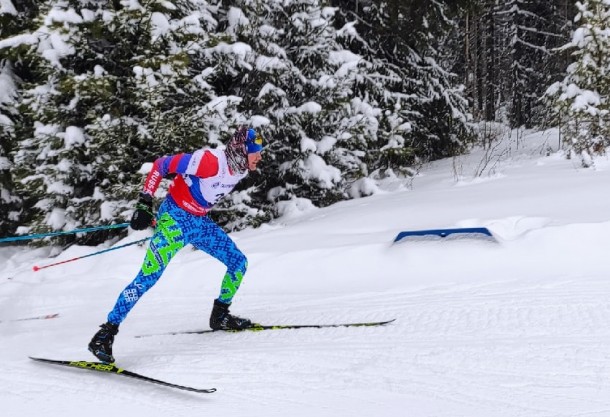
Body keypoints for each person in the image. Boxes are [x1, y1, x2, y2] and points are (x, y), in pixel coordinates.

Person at [88, 126, 264, 363]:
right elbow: (161, 165)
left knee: (238, 262)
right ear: (241, 151)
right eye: (255, 152)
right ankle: (104, 334)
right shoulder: (208, 161)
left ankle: (220, 316)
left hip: (199, 222)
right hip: (175, 221)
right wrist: (144, 203)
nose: (259, 157)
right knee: (147, 277)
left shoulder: (240, 168)